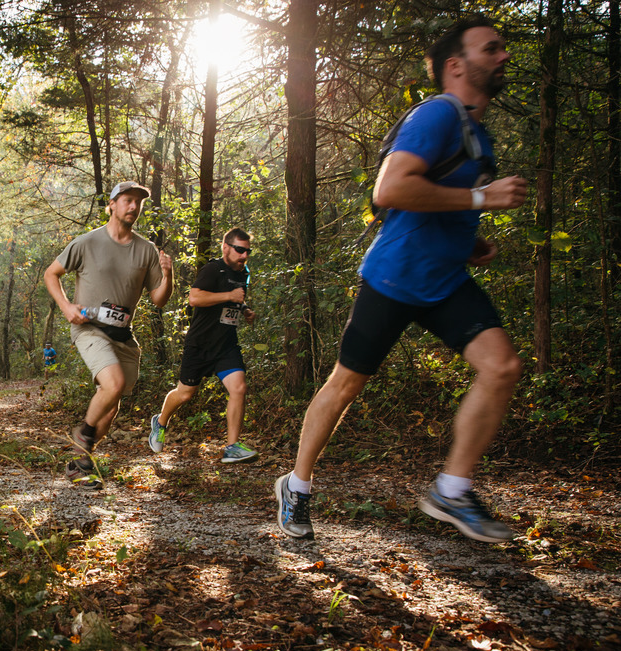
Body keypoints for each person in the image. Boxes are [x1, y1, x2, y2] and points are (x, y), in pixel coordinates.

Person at [275, 16, 528, 543]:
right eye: (492, 48)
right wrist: (483, 198)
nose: (503, 56)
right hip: (393, 279)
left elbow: (436, 200)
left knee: (501, 366)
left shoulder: (477, 133)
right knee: (345, 386)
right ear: (456, 65)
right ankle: (296, 487)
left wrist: (469, 239)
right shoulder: (438, 114)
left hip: (445, 281)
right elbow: (390, 190)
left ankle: (452, 490)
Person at [44, 180, 174, 488]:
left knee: (112, 405)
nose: (133, 206)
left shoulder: (146, 250)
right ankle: (83, 436)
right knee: (112, 384)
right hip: (88, 328)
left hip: (123, 334)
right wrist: (65, 306)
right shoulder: (87, 242)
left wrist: (168, 273)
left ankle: (79, 462)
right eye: (127, 200)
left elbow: (159, 299)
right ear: (112, 205)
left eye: (138, 202)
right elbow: (52, 273)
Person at [148, 228, 258, 463]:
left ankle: (232, 447)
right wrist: (229, 296)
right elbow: (195, 298)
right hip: (200, 345)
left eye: (247, 251)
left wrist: (245, 309)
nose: (244, 255)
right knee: (185, 394)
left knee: (239, 388)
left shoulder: (243, 273)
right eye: (239, 250)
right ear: (226, 247)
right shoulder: (213, 269)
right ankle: (160, 421)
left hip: (226, 346)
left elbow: (236, 299)